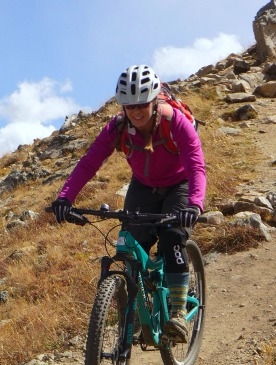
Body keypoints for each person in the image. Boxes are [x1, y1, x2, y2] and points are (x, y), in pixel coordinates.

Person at [51, 64, 207, 342]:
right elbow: (89, 163)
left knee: (172, 239)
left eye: (142, 104)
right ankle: (139, 311)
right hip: (144, 187)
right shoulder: (118, 127)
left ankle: (179, 313)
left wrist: (194, 204)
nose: (135, 111)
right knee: (131, 245)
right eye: (129, 105)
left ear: (153, 100)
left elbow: (196, 166)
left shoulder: (175, 122)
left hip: (178, 185)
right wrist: (66, 197)